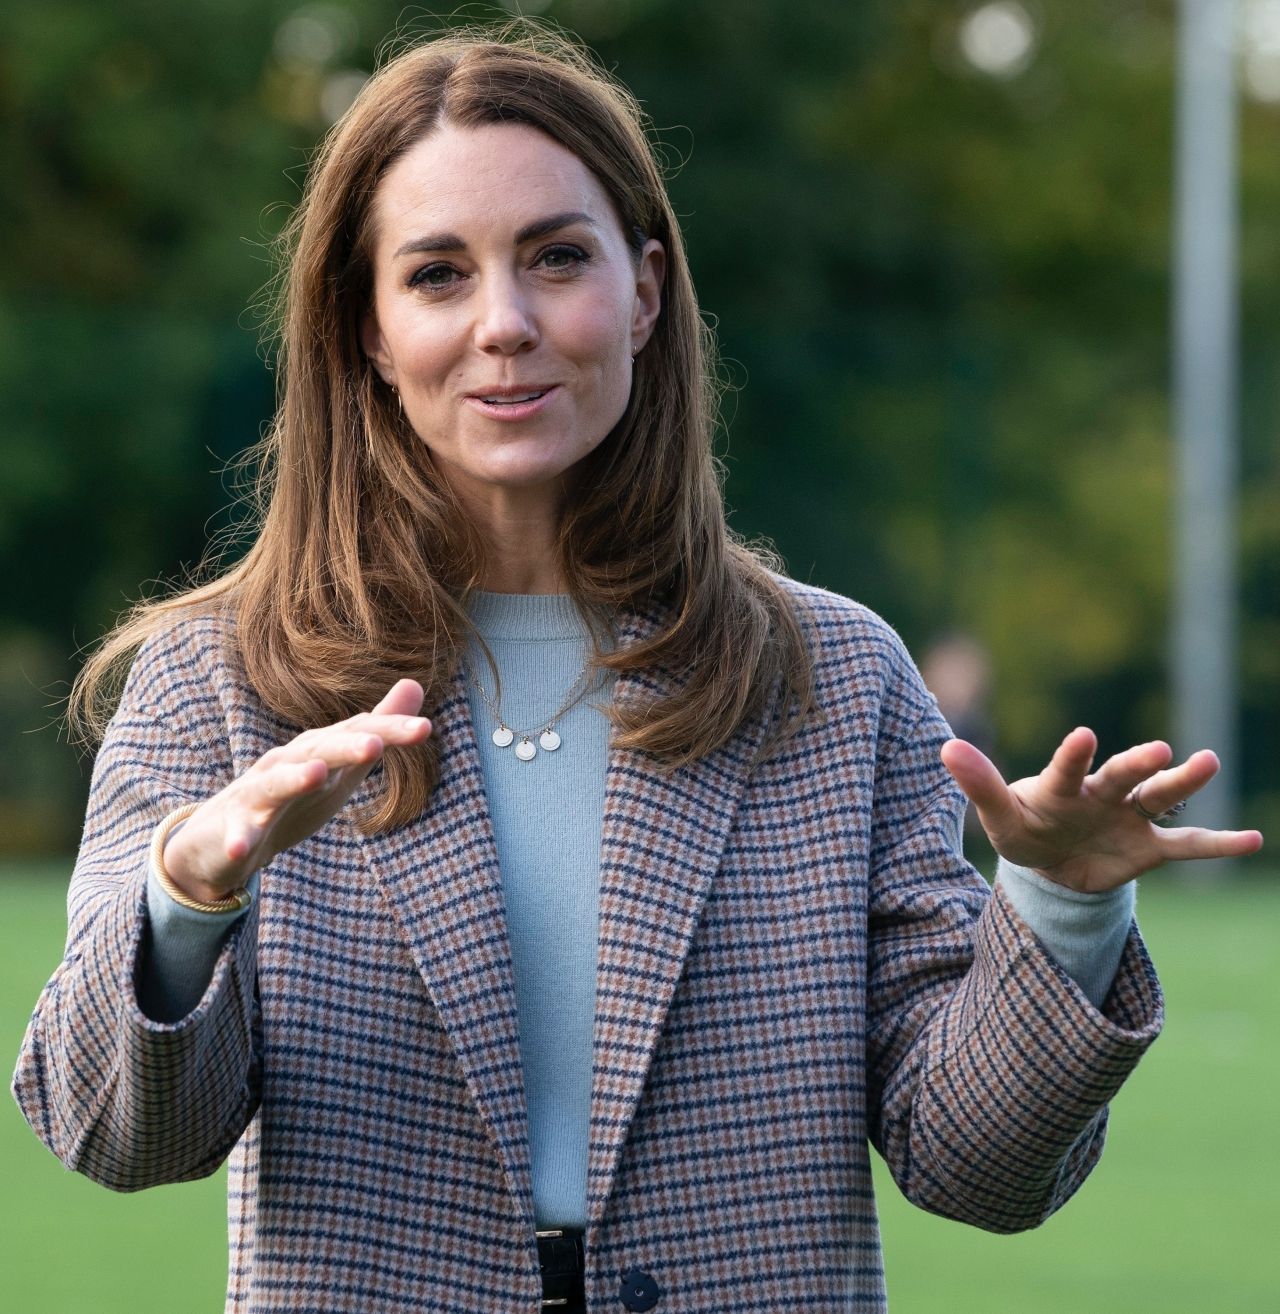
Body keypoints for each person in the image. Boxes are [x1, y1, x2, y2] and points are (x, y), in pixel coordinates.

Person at [11, 23, 1263, 1314]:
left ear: (647, 290)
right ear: (369, 330)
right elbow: (121, 1136)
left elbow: (976, 1164)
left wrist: (1056, 905)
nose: (505, 324)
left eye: (558, 258)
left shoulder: (831, 676)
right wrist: (186, 898)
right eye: (438, 274)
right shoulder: (215, 678)